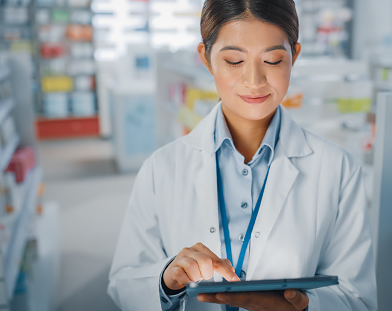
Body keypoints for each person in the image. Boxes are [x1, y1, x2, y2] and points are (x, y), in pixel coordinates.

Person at [107, 0, 377, 310]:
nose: (254, 80)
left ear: (294, 56)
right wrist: (165, 281)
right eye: (234, 61)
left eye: (273, 60)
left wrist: (305, 307)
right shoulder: (162, 168)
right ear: (207, 59)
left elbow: (358, 299)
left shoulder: (337, 169)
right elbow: (124, 281)